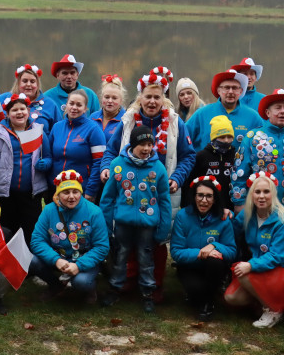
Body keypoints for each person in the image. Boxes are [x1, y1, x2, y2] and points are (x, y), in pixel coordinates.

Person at [101, 69, 194, 299]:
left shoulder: (176, 124)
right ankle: (128, 281)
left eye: (157, 97)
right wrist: (106, 168)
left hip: (161, 189)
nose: (152, 102)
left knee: (157, 239)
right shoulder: (127, 121)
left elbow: (188, 156)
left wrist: (177, 178)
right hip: (129, 189)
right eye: (148, 96)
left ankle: (155, 284)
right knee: (129, 237)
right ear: (140, 97)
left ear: (164, 98)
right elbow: (111, 151)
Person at [99, 125, 172, 311]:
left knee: (146, 257)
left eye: (150, 144)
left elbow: (164, 200)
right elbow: (107, 198)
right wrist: (106, 226)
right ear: (133, 144)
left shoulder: (158, 168)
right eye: (142, 144)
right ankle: (115, 289)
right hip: (123, 223)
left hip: (147, 225)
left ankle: (147, 293)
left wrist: (163, 228)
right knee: (120, 256)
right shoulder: (117, 164)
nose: (146, 149)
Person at [223, 171, 284, 329]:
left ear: (273, 194)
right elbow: (232, 230)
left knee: (243, 273)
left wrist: (250, 266)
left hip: (281, 269)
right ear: (251, 195)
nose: (261, 196)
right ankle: (261, 302)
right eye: (257, 192)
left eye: (266, 192)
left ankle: (274, 311)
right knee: (231, 298)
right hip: (260, 267)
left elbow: (276, 256)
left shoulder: (282, 221)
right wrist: (227, 214)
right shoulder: (247, 214)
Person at [231, 89, 284, 219]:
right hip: (258, 209)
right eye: (278, 108)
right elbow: (239, 173)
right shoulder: (252, 138)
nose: (282, 111)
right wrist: (239, 202)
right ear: (268, 112)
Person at [0, 93, 52, 247]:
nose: (19, 113)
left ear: (28, 111)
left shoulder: (38, 131)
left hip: (31, 194)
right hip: (5, 194)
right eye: (14, 110)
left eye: (23, 109)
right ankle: (6, 267)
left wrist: (44, 164)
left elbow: (48, 157)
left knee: (31, 232)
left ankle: (30, 267)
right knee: (7, 231)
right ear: (8, 114)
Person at [29, 171, 110, 304]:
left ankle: (90, 288)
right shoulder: (49, 211)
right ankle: (56, 286)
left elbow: (102, 247)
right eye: (66, 192)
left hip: (84, 259)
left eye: (75, 192)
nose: (71, 197)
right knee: (33, 261)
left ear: (81, 192)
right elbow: (37, 241)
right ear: (58, 194)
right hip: (60, 257)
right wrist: (56, 260)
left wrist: (79, 265)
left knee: (81, 282)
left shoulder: (94, 212)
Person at [170, 176, 237, 321]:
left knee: (215, 261)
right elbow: (176, 251)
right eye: (200, 195)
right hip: (189, 265)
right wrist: (201, 253)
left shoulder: (223, 218)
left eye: (209, 196)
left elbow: (232, 251)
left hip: (213, 267)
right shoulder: (183, 216)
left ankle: (208, 303)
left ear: (215, 199)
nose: (204, 200)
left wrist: (214, 246)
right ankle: (200, 294)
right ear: (194, 196)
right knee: (195, 292)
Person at [48, 89, 107, 200]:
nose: (74, 107)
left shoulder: (94, 130)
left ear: (85, 109)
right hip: (57, 188)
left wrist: (91, 191)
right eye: (71, 103)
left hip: (81, 189)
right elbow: (50, 156)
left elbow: (99, 162)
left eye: (79, 105)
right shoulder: (57, 127)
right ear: (66, 105)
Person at [185, 69, 262, 151]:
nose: (231, 92)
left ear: (241, 91)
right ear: (218, 90)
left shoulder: (253, 117)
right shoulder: (201, 114)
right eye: (226, 88)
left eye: (235, 88)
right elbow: (183, 140)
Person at [182, 115, 237, 210]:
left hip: (230, 210)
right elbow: (188, 186)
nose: (226, 140)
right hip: (204, 209)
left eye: (229, 137)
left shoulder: (236, 157)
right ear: (214, 138)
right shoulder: (200, 157)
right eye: (222, 137)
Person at [0, 64, 61, 130]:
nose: (28, 84)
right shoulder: (2, 99)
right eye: (25, 81)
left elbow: (59, 131)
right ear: (18, 83)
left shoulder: (50, 104)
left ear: (37, 84)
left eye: (32, 81)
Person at [90, 75, 125, 146]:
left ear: (121, 100)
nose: (110, 101)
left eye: (114, 98)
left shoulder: (126, 120)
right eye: (107, 97)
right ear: (101, 98)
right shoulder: (93, 117)